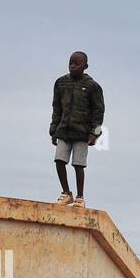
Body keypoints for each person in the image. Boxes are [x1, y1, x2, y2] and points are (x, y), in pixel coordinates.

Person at [50, 51, 104, 208]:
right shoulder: (60, 83)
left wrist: (95, 133)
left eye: (76, 63)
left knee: (78, 164)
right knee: (59, 160)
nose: (72, 66)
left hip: (82, 133)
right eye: (70, 63)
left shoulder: (92, 86)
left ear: (85, 66)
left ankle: (80, 197)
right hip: (63, 130)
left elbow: (98, 112)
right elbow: (56, 108)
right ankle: (66, 192)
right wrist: (54, 129)